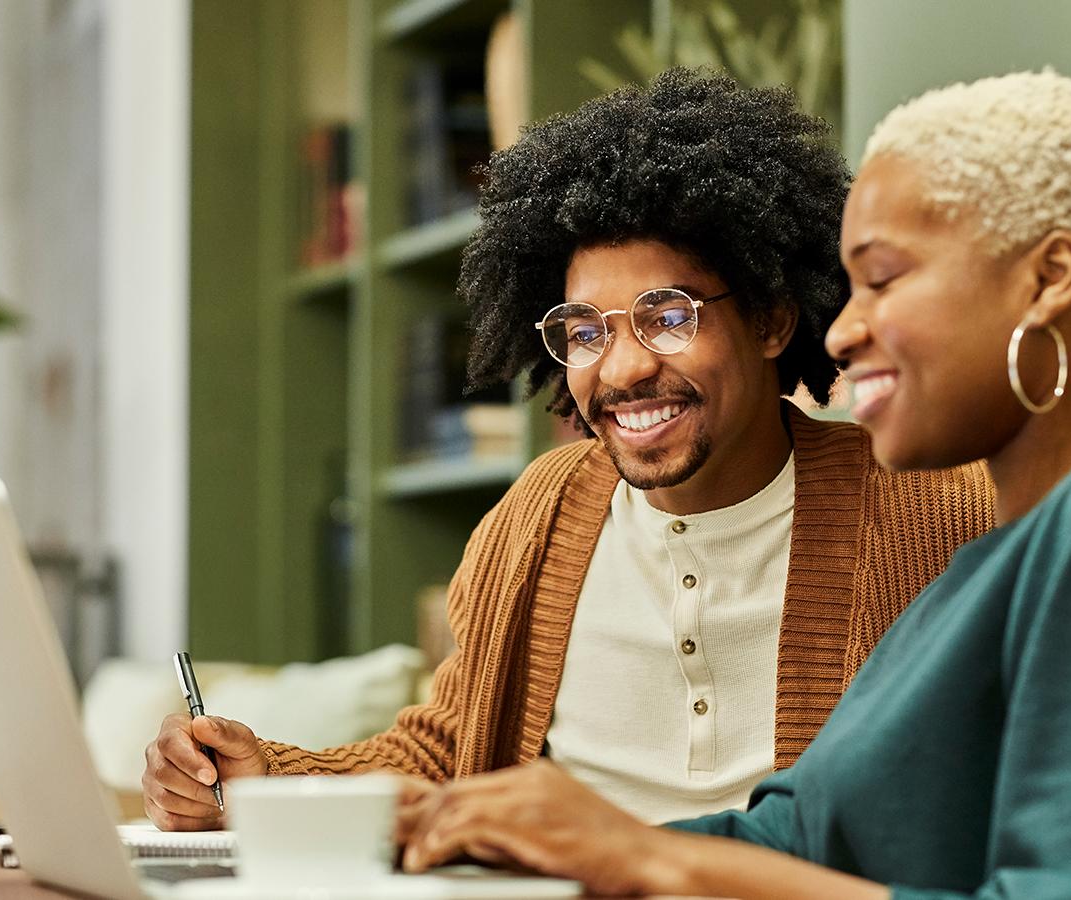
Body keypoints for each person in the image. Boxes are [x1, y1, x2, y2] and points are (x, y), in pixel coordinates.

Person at [396, 70, 1071, 898]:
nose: (840, 333)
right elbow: (787, 840)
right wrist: (508, 836)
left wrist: (652, 860)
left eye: (883, 281)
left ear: (1049, 280)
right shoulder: (981, 574)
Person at [141, 68, 995, 832]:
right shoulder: (540, 512)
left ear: (772, 320)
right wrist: (265, 780)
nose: (621, 369)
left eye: (668, 316)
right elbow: (450, 750)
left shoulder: (933, 510)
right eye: (584, 330)